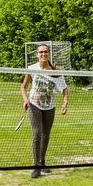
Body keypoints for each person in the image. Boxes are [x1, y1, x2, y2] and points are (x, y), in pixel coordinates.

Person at [20, 43, 69, 178]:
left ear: (49, 54)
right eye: (41, 52)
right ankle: (36, 166)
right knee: (37, 134)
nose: (43, 54)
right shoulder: (32, 69)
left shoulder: (55, 71)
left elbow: (64, 90)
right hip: (34, 104)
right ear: (37, 55)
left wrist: (65, 103)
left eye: (45, 52)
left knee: (46, 135)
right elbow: (23, 87)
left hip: (50, 106)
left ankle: (42, 162)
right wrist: (25, 99)